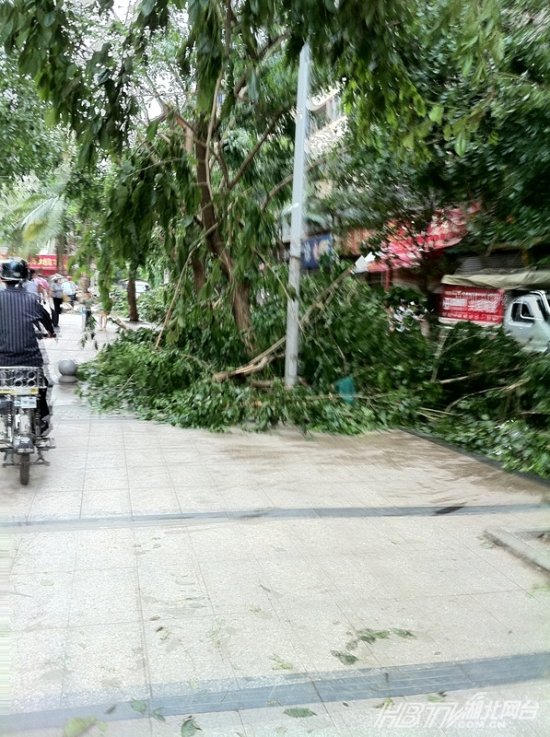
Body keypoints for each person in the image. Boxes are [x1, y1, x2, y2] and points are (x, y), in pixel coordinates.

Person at [0, 259, 55, 434]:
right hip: (30, 360)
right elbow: (46, 317)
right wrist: (50, 332)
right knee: (42, 387)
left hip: (3, 361)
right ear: (24, 277)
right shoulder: (32, 299)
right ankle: (43, 421)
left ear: (3, 278)